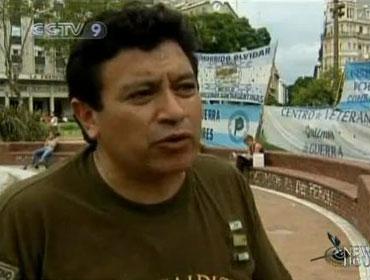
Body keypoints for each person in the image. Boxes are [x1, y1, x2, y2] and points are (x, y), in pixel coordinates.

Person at [0, 4, 292, 280]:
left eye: (186, 88)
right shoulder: (27, 216)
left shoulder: (225, 184)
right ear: (88, 116)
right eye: (142, 94)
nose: (175, 111)